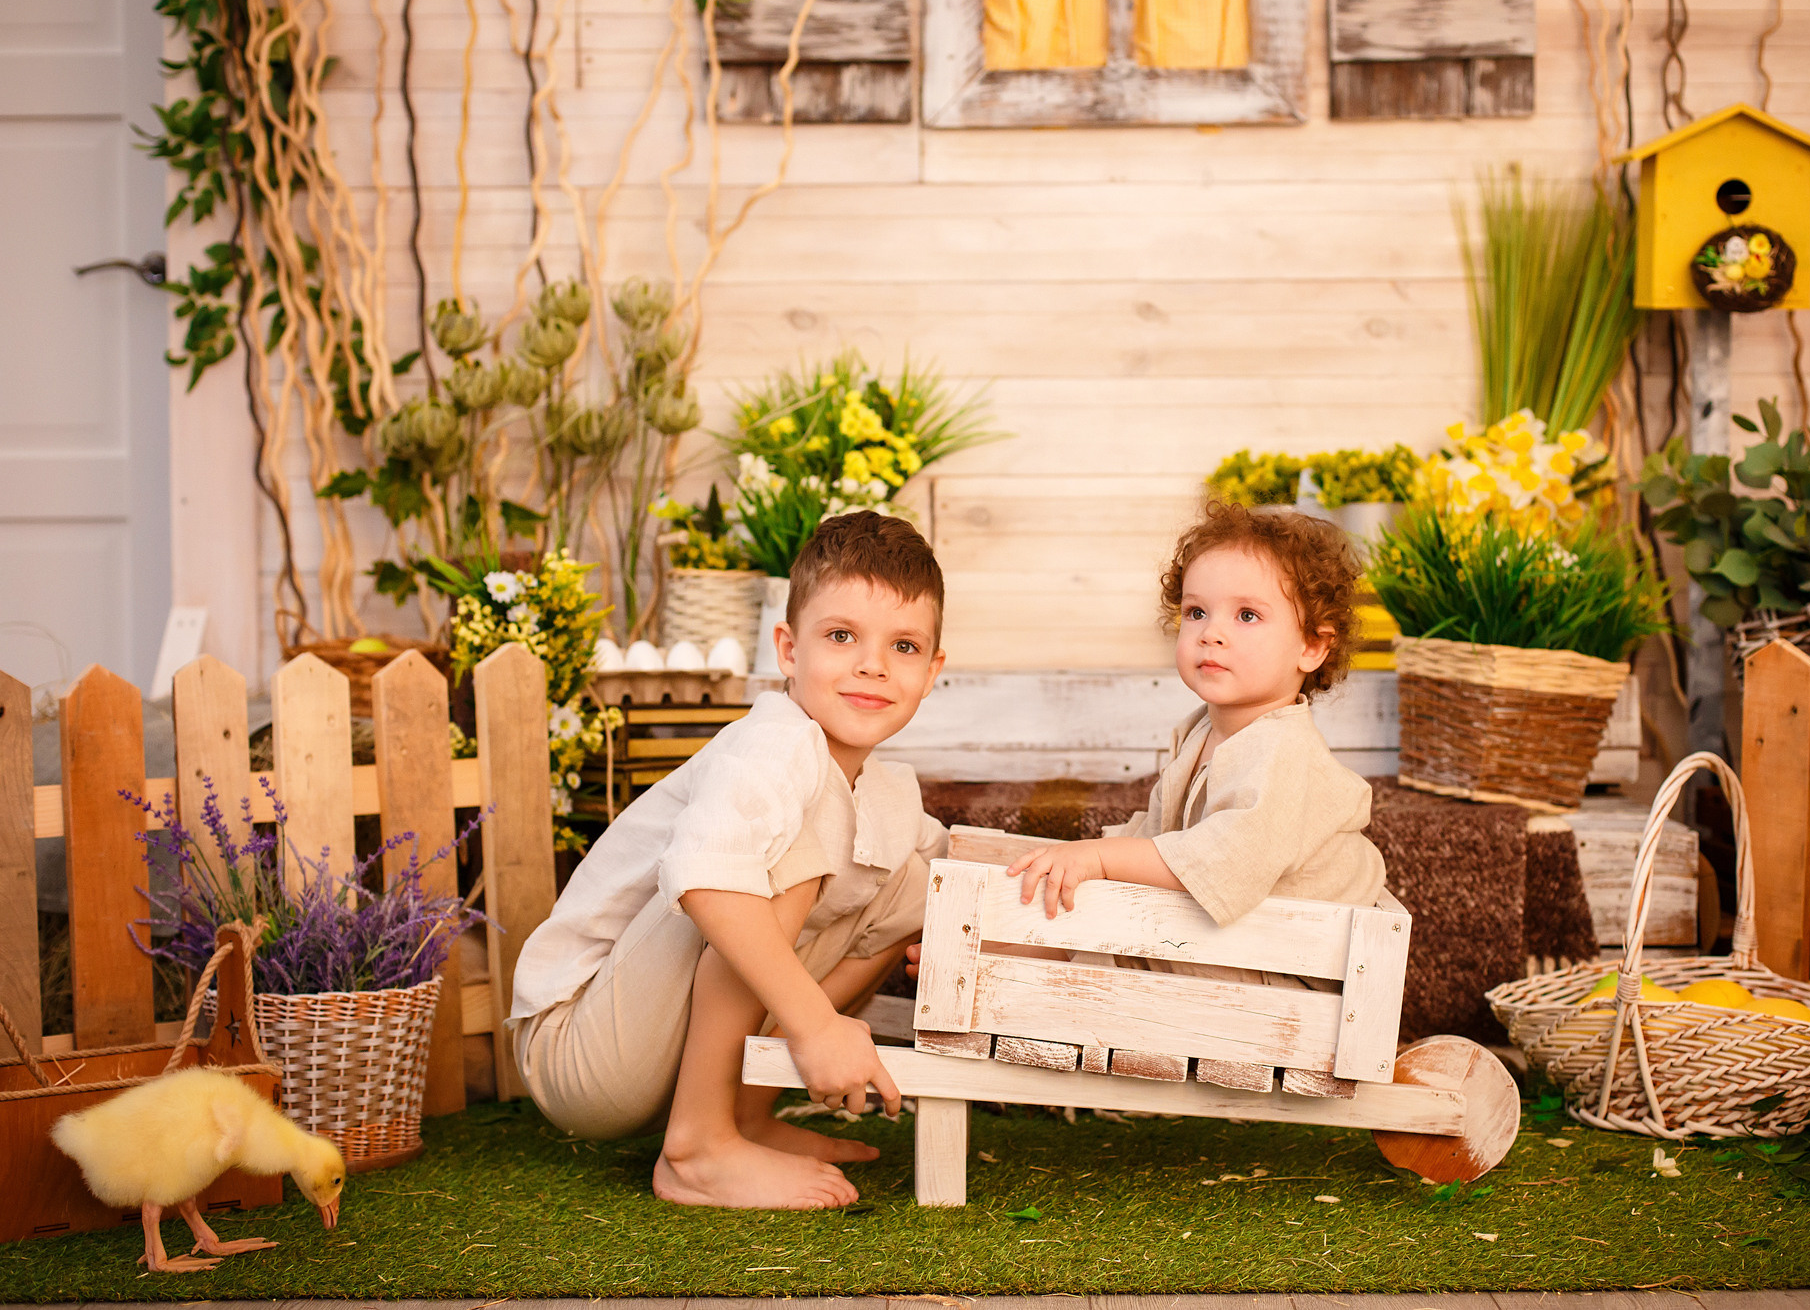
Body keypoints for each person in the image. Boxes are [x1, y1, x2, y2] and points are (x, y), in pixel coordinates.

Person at [507, 511, 949, 1210]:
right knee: (780, 848)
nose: (872, 664)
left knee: (916, 880)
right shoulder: (774, 743)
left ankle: (742, 1114)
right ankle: (698, 1146)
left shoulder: (879, 784)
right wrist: (818, 1025)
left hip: (651, 1047)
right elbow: (708, 882)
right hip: (578, 1046)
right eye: (841, 636)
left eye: (903, 645)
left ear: (932, 671)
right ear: (788, 648)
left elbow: (940, 872)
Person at [995, 501, 1386, 975]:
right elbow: (1162, 836)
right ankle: (1002, 954)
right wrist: (1083, 865)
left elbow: (1221, 861)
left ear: (1311, 646)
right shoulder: (1203, 729)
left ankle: (1010, 975)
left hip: (1285, 967)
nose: (1211, 633)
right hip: (1232, 939)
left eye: (1246, 616)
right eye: (1197, 611)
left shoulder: (1284, 755)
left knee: (1112, 949)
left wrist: (1098, 856)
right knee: (1096, 915)